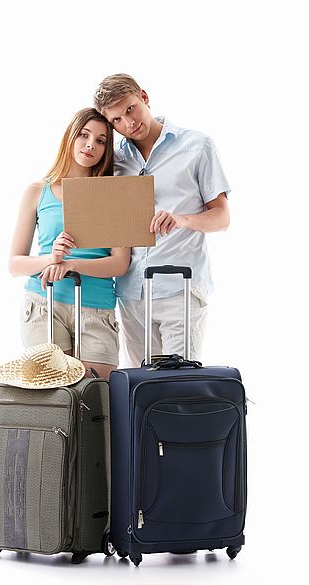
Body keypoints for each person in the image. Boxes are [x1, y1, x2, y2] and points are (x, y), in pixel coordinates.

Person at [93, 74, 231, 367]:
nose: (128, 123)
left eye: (130, 109)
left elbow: (222, 217)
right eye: (116, 120)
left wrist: (181, 219)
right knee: (140, 390)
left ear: (144, 96)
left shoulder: (197, 146)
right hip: (131, 293)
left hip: (179, 289)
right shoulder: (115, 161)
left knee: (179, 386)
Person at [9, 107, 130, 379]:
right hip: (45, 303)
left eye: (101, 141)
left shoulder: (112, 195)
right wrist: (51, 260)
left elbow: (120, 263)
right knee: (54, 399)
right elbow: (15, 264)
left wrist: (70, 264)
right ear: (70, 137)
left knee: (94, 398)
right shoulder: (37, 192)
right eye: (84, 135)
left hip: (96, 307)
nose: (90, 145)